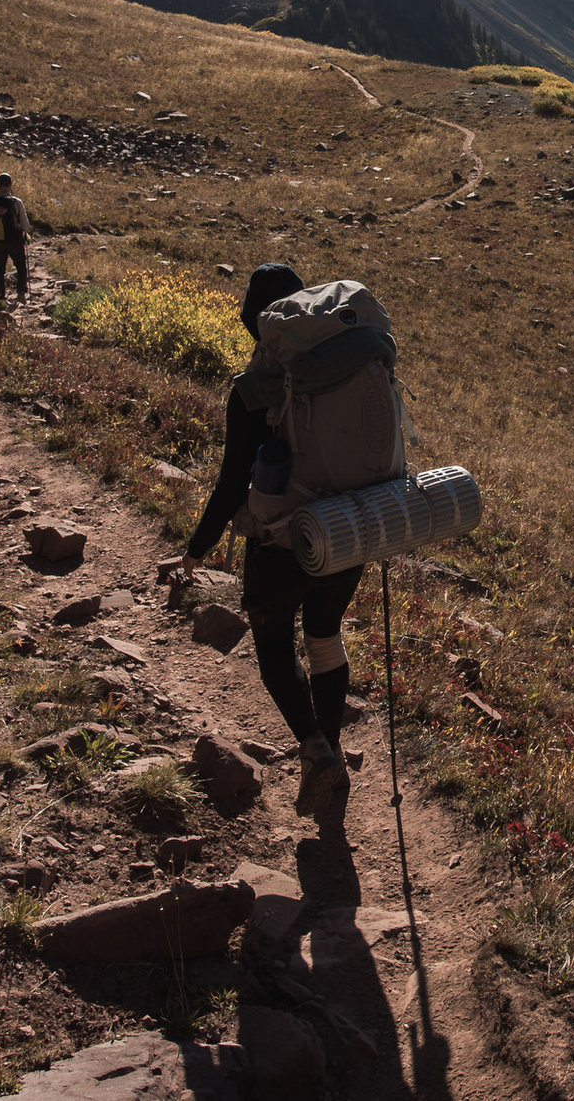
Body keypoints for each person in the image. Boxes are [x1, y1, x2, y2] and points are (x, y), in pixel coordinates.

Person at [178, 263, 359, 817]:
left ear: (255, 323)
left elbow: (233, 481)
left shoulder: (252, 389)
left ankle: (316, 751)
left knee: (276, 651)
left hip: (281, 546)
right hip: (345, 535)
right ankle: (328, 750)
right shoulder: (344, 368)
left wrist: (197, 548)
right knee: (325, 638)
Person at [0, 173, 30, 303]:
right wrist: (25, 232)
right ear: (10, 184)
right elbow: (25, 224)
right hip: (14, 240)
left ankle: (0, 297)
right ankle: (21, 294)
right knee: (21, 266)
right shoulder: (16, 202)